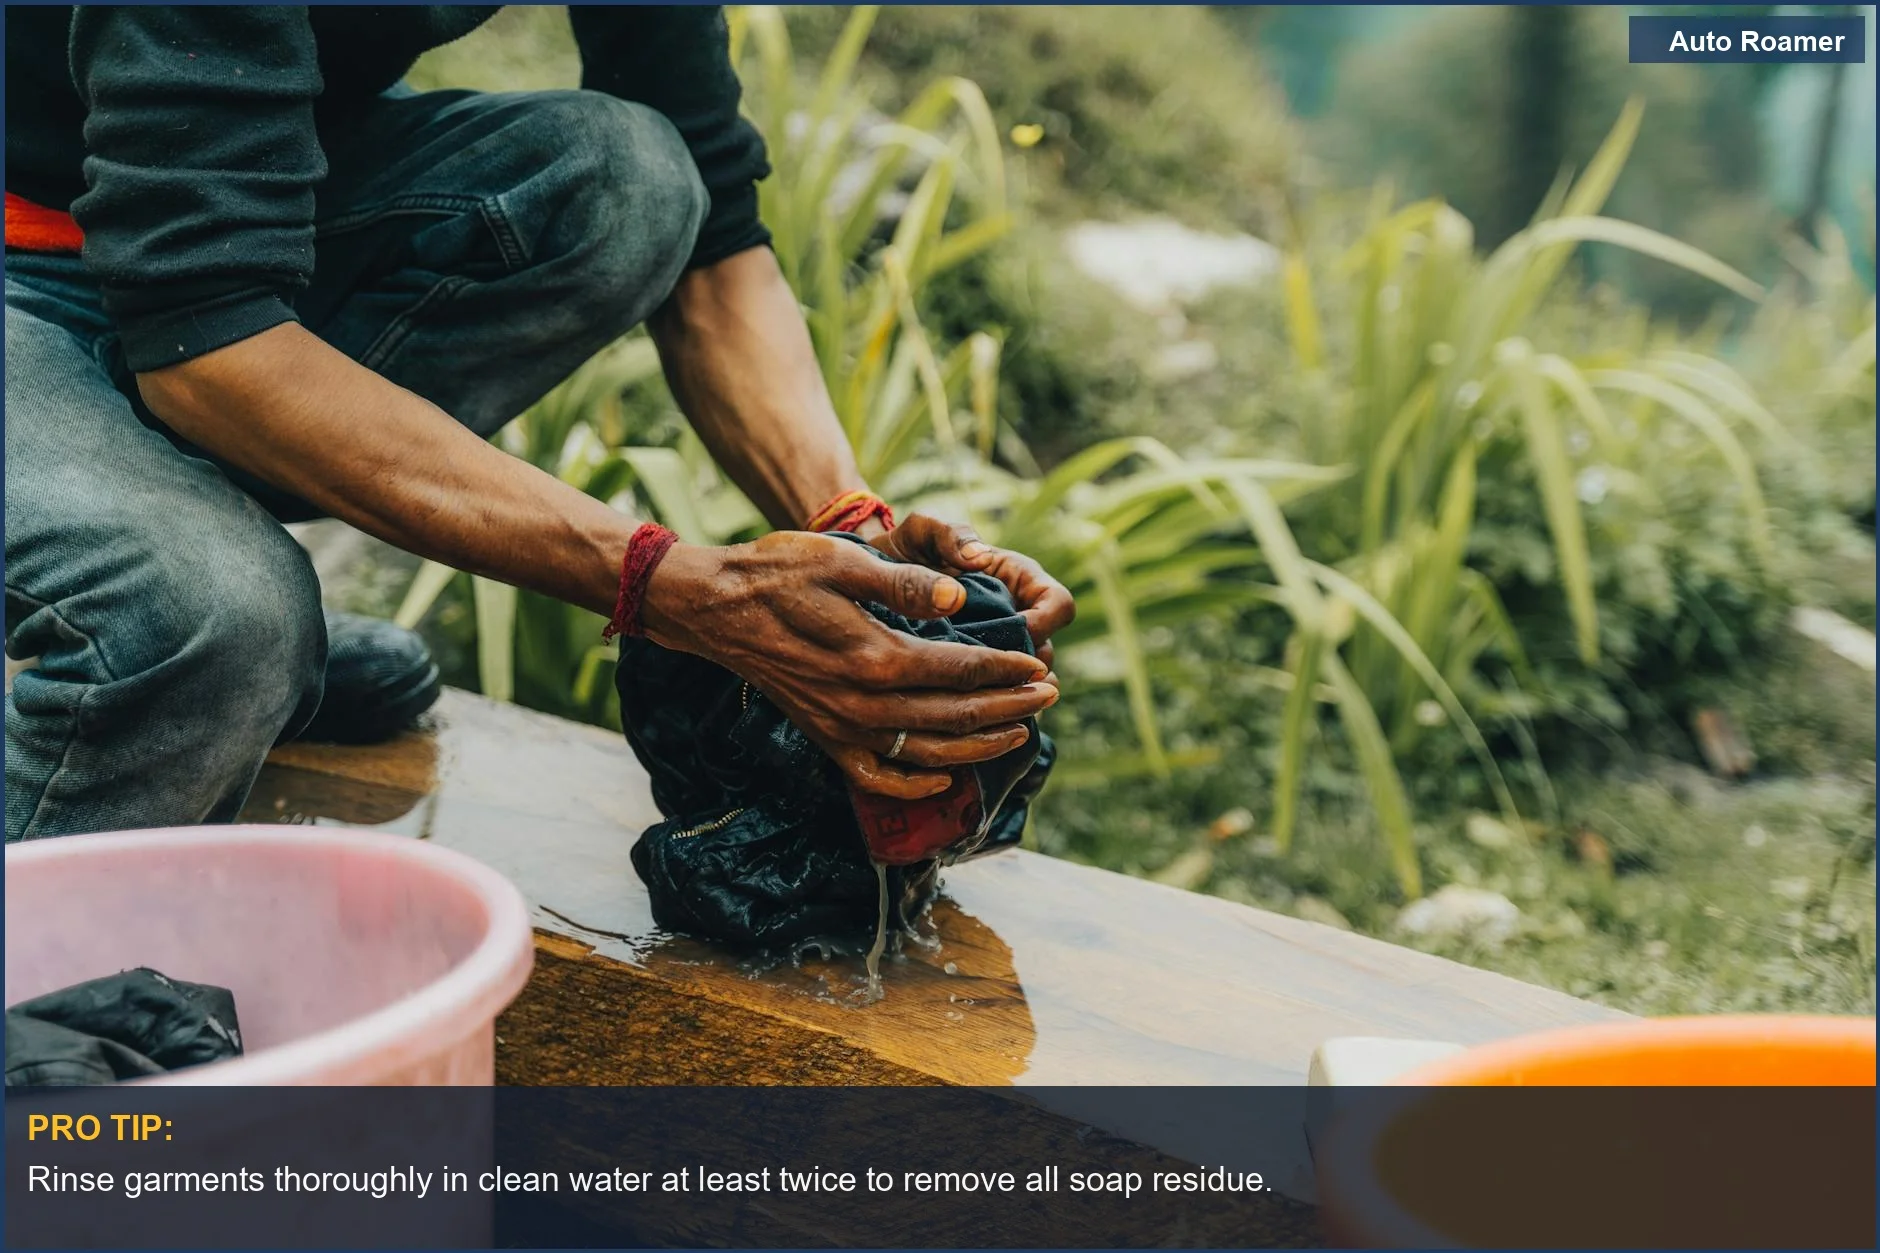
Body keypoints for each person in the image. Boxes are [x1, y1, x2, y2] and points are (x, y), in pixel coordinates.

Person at [3, 6, 1073, 843]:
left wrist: (855, 533)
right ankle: (170, 614)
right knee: (218, 622)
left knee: (628, 180)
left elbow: (714, 238)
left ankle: (169, 594)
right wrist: (674, 586)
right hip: (62, 259)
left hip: (183, 226)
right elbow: (210, 345)